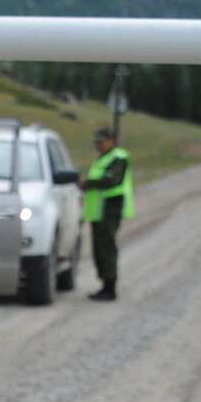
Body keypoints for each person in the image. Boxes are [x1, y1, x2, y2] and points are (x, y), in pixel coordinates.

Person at [81, 127, 135, 301]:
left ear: (111, 140)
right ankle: (104, 285)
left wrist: (88, 183)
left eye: (101, 142)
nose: (98, 145)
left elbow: (112, 180)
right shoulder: (102, 158)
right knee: (99, 249)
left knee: (107, 248)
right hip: (98, 211)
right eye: (96, 142)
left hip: (110, 209)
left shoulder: (118, 157)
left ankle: (110, 288)